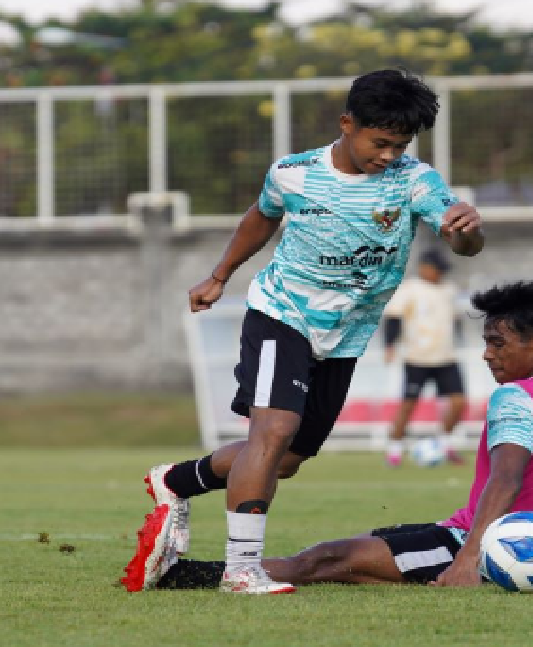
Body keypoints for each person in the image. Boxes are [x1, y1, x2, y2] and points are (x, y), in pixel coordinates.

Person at [122, 69, 485, 594]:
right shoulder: (292, 173)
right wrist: (220, 276)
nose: (389, 155)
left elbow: (460, 239)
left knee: (285, 459)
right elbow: (261, 216)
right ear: (347, 123)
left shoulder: (415, 180)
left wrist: (467, 232)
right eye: (380, 142)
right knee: (272, 433)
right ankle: (242, 571)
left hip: (345, 335)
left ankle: (175, 480)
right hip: (282, 314)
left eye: (400, 144)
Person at [132, 281, 533, 591]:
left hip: (479, 551)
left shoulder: (517, 397)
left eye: (498, 343)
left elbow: (507, 479)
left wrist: (469, 558)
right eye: (486, 342)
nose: (487, 355)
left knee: (326, 559)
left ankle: (179, 575)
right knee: (369, 547)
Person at [381, 249, 466, 466]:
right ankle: (394, 450)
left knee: (459, 402)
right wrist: (389, 345)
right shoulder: (410, 289)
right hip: (417, 357)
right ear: (425, 267)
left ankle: (444, 443)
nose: (440, 274)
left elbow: (455, 319)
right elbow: (394, 318)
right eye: (438, 270)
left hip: (446, 356)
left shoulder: (449, 290)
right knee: (408, 404)